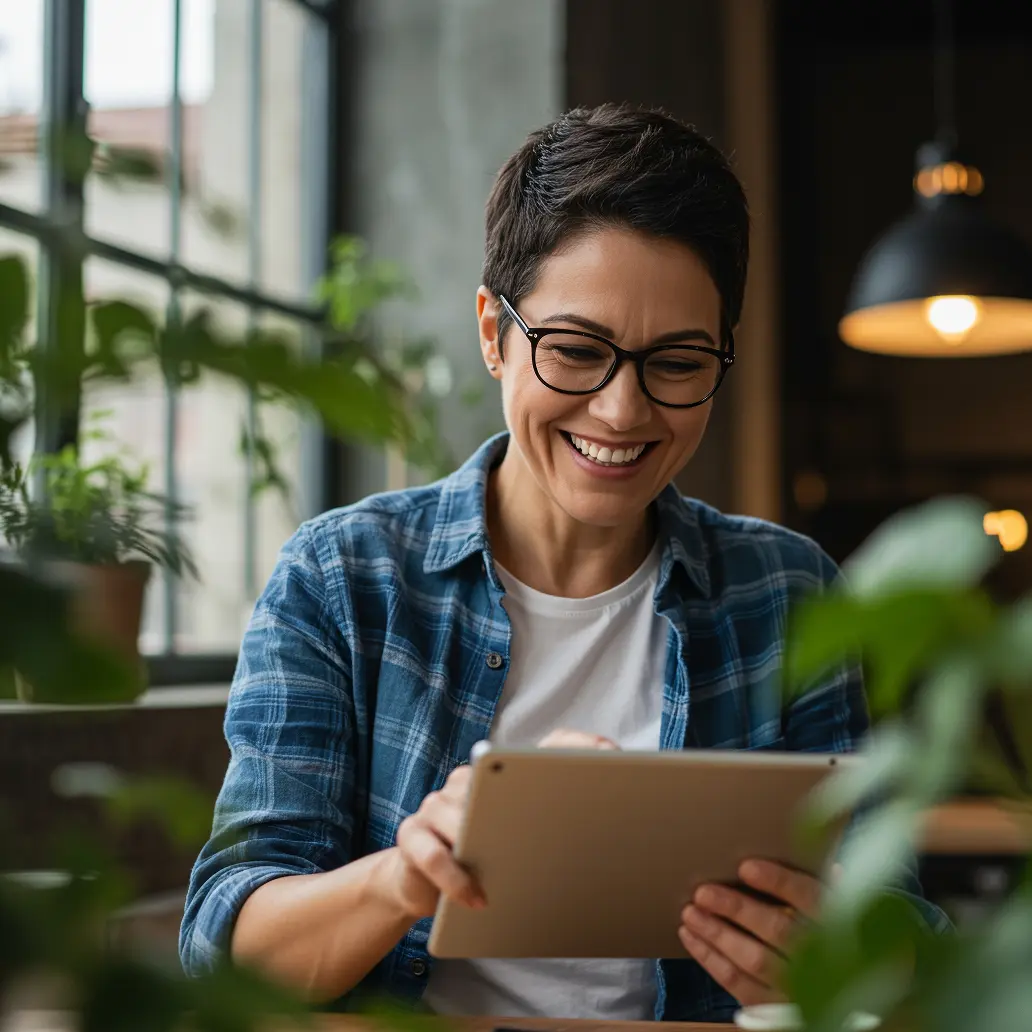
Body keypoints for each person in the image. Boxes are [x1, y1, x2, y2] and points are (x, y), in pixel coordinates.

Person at [180, 104, 941, 1024]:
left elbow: (901, 917)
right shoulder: (344, 580)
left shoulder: (788, 591)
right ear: (495, 335)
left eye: (677, 361)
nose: (622, 412)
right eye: (576, 351)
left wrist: (830, 957)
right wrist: (403, 876)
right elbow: (223, 948)